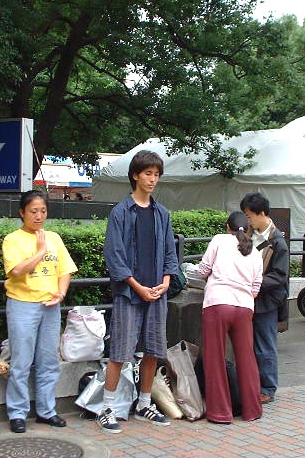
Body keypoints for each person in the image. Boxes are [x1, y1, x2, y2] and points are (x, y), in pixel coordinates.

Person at [99, 150, 179, 434]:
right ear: (135, 175)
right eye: (148, 173)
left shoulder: (162, 213)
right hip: (129, 294)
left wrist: (166, 281)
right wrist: (136, 286)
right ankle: (107, 408)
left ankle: (145, 404)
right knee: (120, 351)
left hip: (157, 292)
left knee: (153, 350)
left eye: (156, 174)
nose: (152, 179)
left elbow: (170, 251)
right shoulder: (120, 212)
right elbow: (114, 256)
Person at [1, 190, 78, 433]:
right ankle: (17, 413)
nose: (39, 216)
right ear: (22, 212)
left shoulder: (54, 237)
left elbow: (65, 270)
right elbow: (16, 271)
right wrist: (40, 251)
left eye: (43, 211)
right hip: (22, 304)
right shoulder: (13, 240)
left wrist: (61, 293)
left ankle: (47, 411)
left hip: (50, 307)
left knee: (49, 361)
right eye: (33, 211)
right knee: (21, 361)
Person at [198, 211, 263, 424]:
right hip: (244, 307)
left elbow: (203, 270)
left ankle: (220, 413)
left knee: (214, 358)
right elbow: (255, 288)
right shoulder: (254, 250)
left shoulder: (219, 240)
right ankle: (252, 410)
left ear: (228, 227)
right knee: (246, 358)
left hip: (218, 303)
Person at [240, 192, 289, 404]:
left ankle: (268, 388)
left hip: (266, 302)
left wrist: (254, 282)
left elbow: (279, 276)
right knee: (250, 345)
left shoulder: (278, 242)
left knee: (264, 346)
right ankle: (253, 385)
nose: (247, 219)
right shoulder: (250, 234)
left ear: (261, 213)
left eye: (249, 215)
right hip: (248, 298)